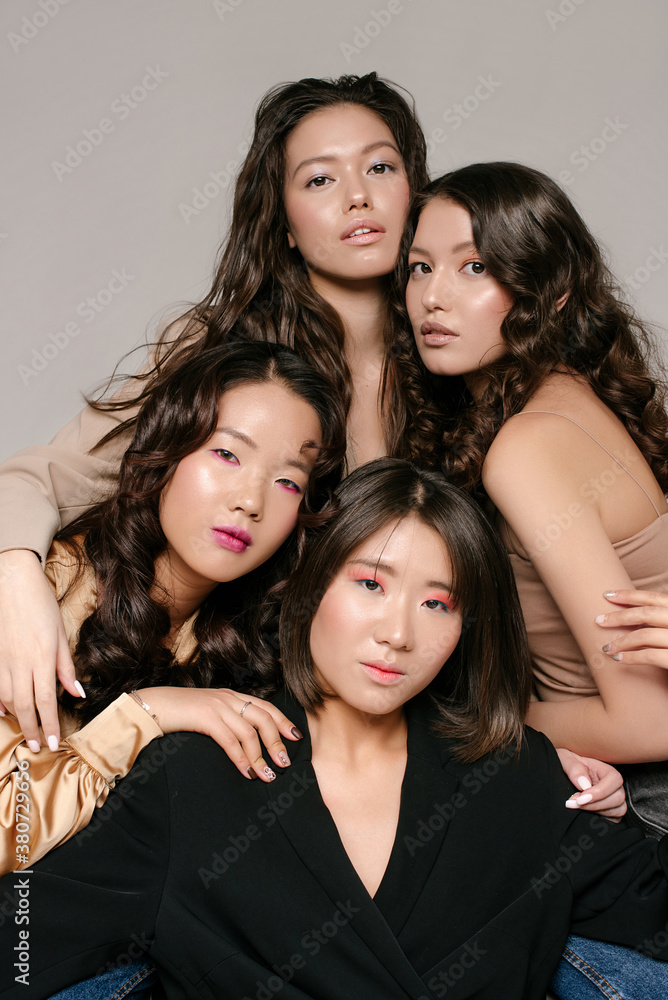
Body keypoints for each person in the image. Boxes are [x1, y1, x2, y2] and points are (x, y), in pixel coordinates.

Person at [1, 459, 668, 1000]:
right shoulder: (192, 777)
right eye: (371, 584)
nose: (398, 633)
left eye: (437, 603)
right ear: (312, 585)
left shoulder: (519, 777)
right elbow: (22, 937)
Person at [0, 72, 434, 752]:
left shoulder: (456, 366)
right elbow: (41, 478)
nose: (358, 195)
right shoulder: (221, 349)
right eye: (320, 179)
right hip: (236, 702)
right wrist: (13, 580)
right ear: (283, 223)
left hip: (384, 715)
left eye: (381, 167)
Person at [403, 162, 668, 995]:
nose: (433, 296)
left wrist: (476, 725)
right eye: (420, 266)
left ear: (551, 295)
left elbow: (649, 719)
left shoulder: (527, 446)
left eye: (474, 267)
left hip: (644, 804)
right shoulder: (569, 400)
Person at [0, 339, 346, 877]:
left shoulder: (251, 647)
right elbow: (10, 834)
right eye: (227, 455)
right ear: (167, 449)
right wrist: (146, 715)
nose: (250, 501)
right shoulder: (46, 589)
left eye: (287, 481)